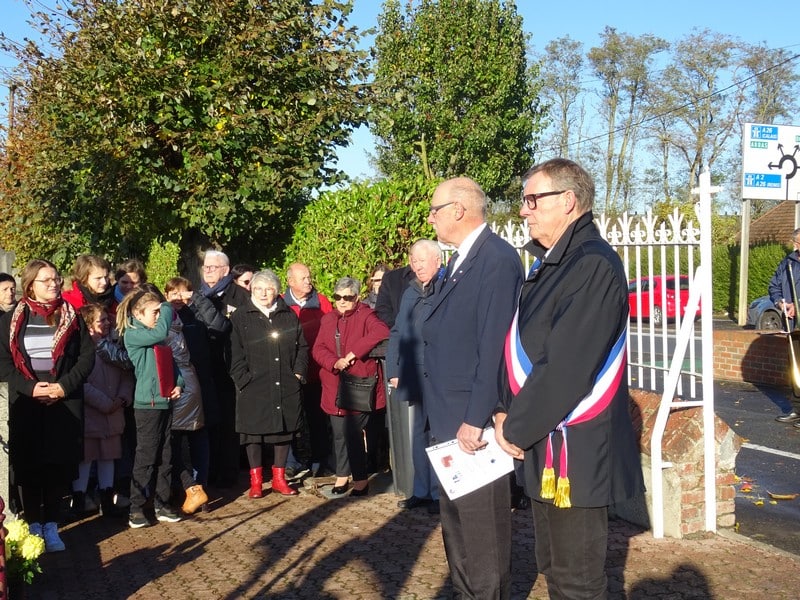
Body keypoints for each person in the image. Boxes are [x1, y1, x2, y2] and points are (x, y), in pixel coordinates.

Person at [495, 158, 644, 599]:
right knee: (554, 570)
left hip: (574, 449)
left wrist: (515, 427)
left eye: (532, 199)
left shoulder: (592, 265)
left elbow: (566, 366)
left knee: (577, 579)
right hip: (545, 439)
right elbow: (527, 347)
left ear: (568, 200)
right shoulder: (553, 263)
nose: (524, 210)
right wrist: (504, 410)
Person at [421, 177, 523, 598]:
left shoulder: (496, 259)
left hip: (472, 424)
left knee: (484, 540)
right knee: (457, 531)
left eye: (435, 209)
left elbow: (494, 345)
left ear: (459, 209)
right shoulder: (460, 260)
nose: (430, 218)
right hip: (447, 419)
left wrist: (475, 417)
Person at [0, 259, 95, 552]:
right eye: (47, 280)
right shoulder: (10, 319)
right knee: (29, 466)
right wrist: (30, 387)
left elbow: (86, 358)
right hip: (27, 401)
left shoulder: (72, 317)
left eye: (56, 279)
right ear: (31, 285)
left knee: (57, 465)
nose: (55, 284)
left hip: (62, 399)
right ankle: (33, 524)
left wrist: (63, 386)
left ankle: (52, 525)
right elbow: (3, 362)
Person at [230, 269, 308, 498]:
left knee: (282, 432)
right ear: (252, 290)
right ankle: (256, 482)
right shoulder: (241, 316)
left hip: (284, 382)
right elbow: (233, 352)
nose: (263, 294)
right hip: (253, 383)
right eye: (258, 289)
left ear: (276, 291)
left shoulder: (288, 315)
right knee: (253, 434)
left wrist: (298, 373)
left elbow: (301, 347)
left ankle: (279, 479)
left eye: (268, 289)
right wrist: (242, 379)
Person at [312, 277, 389, 497]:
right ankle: (342, 475)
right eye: (338, 297)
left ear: (356, 298)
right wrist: (334, 362)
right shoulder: (328, 320)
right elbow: (318, 349)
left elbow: (382, 332)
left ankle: (361, 479)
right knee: (338, 434)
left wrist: (354, 353)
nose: (342, 301)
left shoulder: (366, 315)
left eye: (348, 297)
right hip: (334, 384)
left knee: (353, 433)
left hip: (358, 385)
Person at [118, 289, 184, 528]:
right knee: (146, 456)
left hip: (165, 401)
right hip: (147, 405)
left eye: (160, 311)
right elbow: (161, 332)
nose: (159, 315)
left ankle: (162, 503)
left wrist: (179, 384)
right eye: (154, 312)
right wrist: (168, 306)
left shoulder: (156, 336)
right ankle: (136, 509)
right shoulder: (134, 334)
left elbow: (171, 364)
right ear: (138, 313)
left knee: (166, 455)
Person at [142, 282, 209, 516]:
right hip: (189, 381)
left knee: (169, 444)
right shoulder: (176, 321)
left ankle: (191, 489)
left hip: (174, 383)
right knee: (186, 440)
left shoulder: (161, 328)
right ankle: (194, 488)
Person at [386, 239, 442, 514]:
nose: (417, 265)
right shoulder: (410, 292)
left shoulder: (446, 288)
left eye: (423, 260)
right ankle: (421, 490)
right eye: (414, 260)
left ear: (438, 261)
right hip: (414, 373)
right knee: (418, 433)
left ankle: (440, 493)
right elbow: (398, 332)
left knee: (440, 434)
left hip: (440, 373)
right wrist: (394, 370)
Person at [73, 303, 132, 518]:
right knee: (86, 458)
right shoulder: (81, 350)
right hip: (91, 413)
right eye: (102, 321)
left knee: (108, 456)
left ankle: (107, 498)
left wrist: (122, 398)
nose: (108, 324)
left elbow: (126, 374)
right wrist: (104, 402)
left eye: (108, 320)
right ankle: (79, 498)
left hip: (114, 411)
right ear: (89, 326)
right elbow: (81, 383)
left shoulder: (114, 346)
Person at [200, 249, 248, 488]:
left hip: (230, 368)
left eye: (212, 267)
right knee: (208, 422)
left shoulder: (240, 296)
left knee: (229, 422)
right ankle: (210, 470)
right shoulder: (197, 295)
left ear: (226, 271)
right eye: (205, 267)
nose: (207, 271)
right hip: (204, 369)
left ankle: (229, 473)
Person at [283, 262, 334, 477]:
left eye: (309, 277)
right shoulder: (281, 304)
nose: (308, 281)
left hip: (317, 370)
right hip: (290, 371)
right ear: (290, 281)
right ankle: (290, 462)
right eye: (303, 278)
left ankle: (320, 459)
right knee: (289, 418)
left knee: (317, 418)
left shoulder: (322, 302)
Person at [768, 228, 800, 424]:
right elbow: (774, 286)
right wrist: (782, 303)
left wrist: (799, 305)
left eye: (798, 243)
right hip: (793, 324)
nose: (795, 246)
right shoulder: (787, 263)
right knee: (795, 367)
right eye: (796, 243)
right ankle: (797, 409)